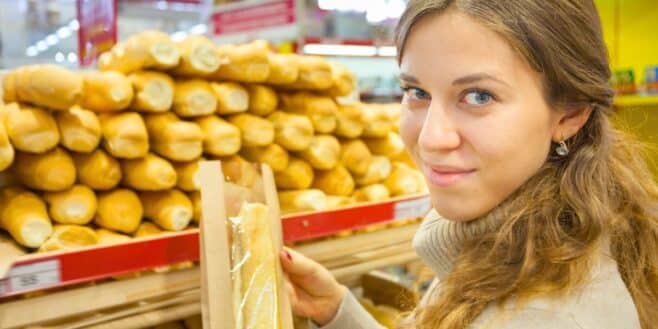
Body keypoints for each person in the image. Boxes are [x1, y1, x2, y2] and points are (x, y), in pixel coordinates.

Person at [279, 1, 658, 328]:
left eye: (478, 96)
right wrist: (338, 314)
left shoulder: (541, 315)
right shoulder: (533, 243)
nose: (430, 138)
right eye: (417, 92)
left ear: (569, 115)